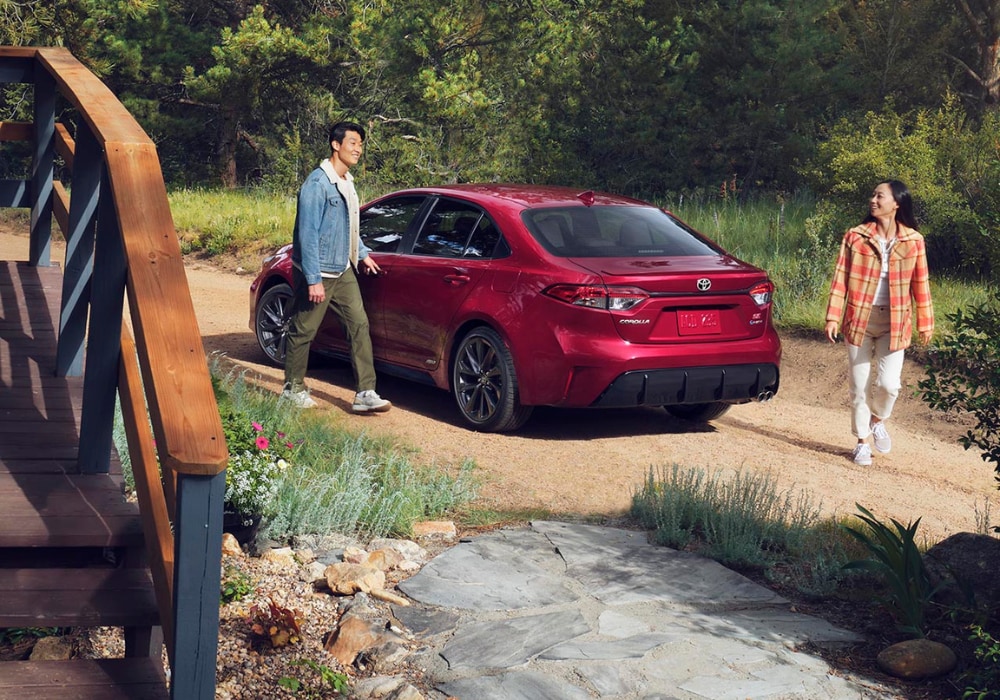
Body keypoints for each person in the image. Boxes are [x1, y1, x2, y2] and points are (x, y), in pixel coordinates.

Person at [280, 121, 391, 414]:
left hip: (342, 269)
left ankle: (365, 392)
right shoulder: (317, 184)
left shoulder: (347, 182)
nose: (358, 149)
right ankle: (292, 390)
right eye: (353, 143)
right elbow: (307, 235)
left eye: (361, 144)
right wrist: (313, 279)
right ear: (335, 144)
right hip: (318, 272)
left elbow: (347, 225)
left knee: (359, 326)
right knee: (303, 330)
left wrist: (362, 254)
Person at [825, 180, 933, 466]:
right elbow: (840, 278)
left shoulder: (913, 241)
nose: (873, 200)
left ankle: (877, 420)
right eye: (872, 195)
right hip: (859, 319)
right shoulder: (855, 236)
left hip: (895, 322)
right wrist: (833, 316)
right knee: (859, 386)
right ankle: (862, 442)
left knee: (889, 385)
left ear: (896, 203)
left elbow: (921, 283)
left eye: (879, 196)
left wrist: (925, 322)